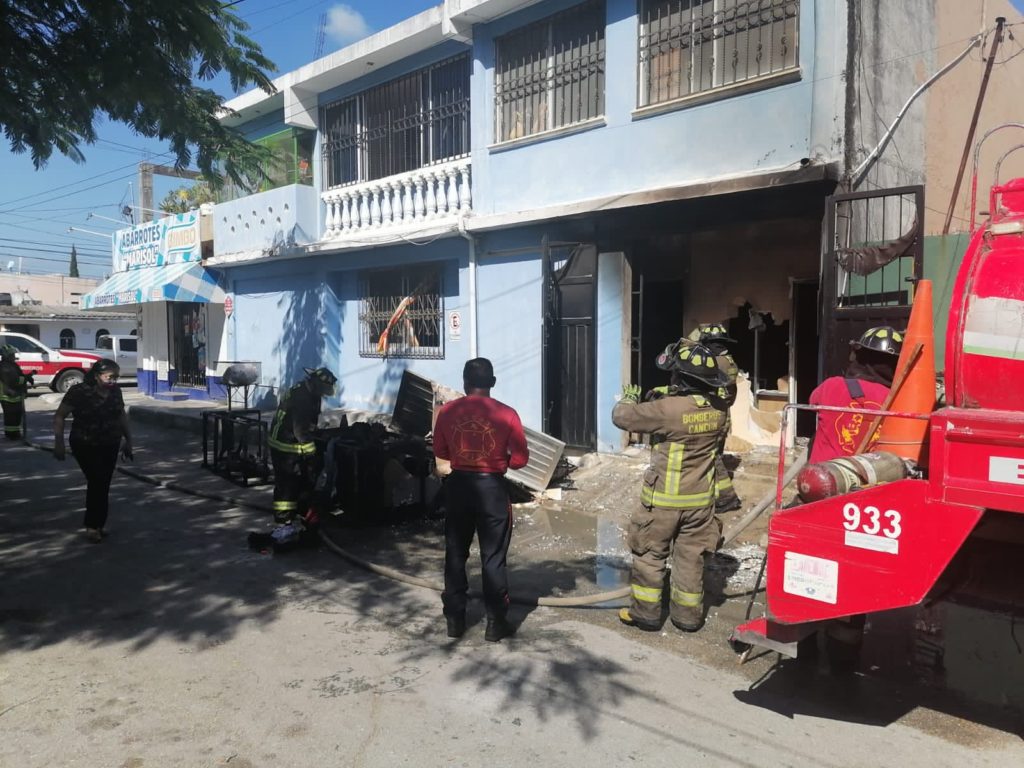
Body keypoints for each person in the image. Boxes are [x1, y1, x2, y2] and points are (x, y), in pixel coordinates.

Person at [612, 342, 727, 633]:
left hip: (663, 502)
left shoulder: (665, 410)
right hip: (701, 504)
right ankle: (687, 618)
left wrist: (628, 400)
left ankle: (647, 614)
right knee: (690, 560)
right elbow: (690, 414)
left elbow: (622, 417)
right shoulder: (719, 409)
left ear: (680, 378)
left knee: (650, 555)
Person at [433, 357, 529, 642]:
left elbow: (441, 450)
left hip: (459, 487)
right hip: (492, 490)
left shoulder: (447, 412)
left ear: (464, 382)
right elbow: (522, 459)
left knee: (455, 553)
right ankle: (495, 623)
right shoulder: (508, 414)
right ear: (493, 383)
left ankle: (454, 620)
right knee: (493, 558)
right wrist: (501, 459)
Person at [53, 359, 133, 543]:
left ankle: (98, 525)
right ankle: (92, 525)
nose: (113, 381)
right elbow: (59, 415)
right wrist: (59, 442)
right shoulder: (79, 392)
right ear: (97, 376)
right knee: (97, 480)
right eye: (109, 377)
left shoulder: (115, 392)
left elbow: (121, 415)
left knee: (103, 483)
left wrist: (129, 440)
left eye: (116, 377)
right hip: (84, 444)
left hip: (110, 443)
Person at [808, 326, 903, 464]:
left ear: (859, 356)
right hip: (871, 480)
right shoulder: (897, 399)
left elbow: (812, 403)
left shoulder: (832, 385)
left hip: (821, 476)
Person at [266, 366, 338, 544]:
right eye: (323, 390)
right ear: (315, 384)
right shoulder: (303, 399)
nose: (324, 394)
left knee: (299, 483)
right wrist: (311, 451)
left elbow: (310, 423)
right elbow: (300, 430)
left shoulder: (309, 392)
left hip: (290, 443)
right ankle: (284, 525)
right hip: (285, 446)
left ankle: (299, 515)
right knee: (286, 486)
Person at [688, 323, 741, 513]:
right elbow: (732, 394)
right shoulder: (728, 360)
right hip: (721, 413)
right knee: (712, 455)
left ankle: (727, 498)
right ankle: (714, 493)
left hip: (713, 414)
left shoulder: (716, 363)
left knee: (712, 456)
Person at [0, 344, 33, 440]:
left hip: (14, 395)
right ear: (7, 356)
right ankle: (12, 434)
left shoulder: (11, 365)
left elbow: (19, 376)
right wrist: (26, 378)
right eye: (12, 355)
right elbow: (14, 381)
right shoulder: (5, 367)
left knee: (16, 415)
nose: (14, 357)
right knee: (11, 416)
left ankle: (14, 433)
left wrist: (27, 376)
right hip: (8, 395)